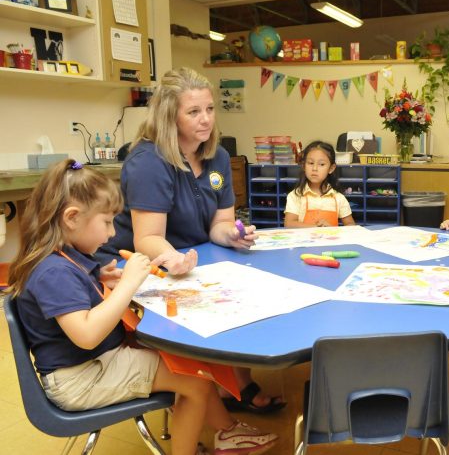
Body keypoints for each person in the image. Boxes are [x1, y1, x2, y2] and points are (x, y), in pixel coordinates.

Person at [7, 159, 278, 455]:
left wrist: (99, 279)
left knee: (185, 361)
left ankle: (225, 432)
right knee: (197, 384)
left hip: (90, 365)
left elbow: (74, 298)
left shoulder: (64, 259)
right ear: (71, 218)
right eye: (107, 222)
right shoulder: (53, 272)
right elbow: (85, 334)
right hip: (80, 379)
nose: (112, 234)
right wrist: (126, 285)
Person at [95, 67, 285, 414]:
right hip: (142, 263)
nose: (206, 120)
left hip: (195, 260)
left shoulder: (218, 158)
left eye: (210, 109)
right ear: (170, 116)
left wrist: (232, 235)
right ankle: (224, 387)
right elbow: (147, 238)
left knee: (243, 296)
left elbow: (220, 223)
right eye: (194, 112)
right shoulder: (149, 162)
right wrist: (173, 258)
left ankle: (232, 384)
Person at [284, 141, 356, 228]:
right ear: (303, 166)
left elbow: (351, 225)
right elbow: (289, 224)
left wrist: (331, 229)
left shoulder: (338, 198)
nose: (314, 168)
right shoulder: (296, 195)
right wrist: (316, 229)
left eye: (321, 164)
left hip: (331, 240)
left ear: (331, 168)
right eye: (310, 163)